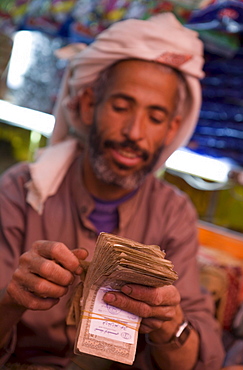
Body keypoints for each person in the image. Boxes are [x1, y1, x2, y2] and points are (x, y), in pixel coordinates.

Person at [0, 12, 226, 370]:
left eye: (155, 118)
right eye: (121, 107)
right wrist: (12, 299)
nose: (134, 133)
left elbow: (200, 360)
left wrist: (170, 325)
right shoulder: (18, 192)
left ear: (171, 129)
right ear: (90, 105)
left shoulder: (173, 214)